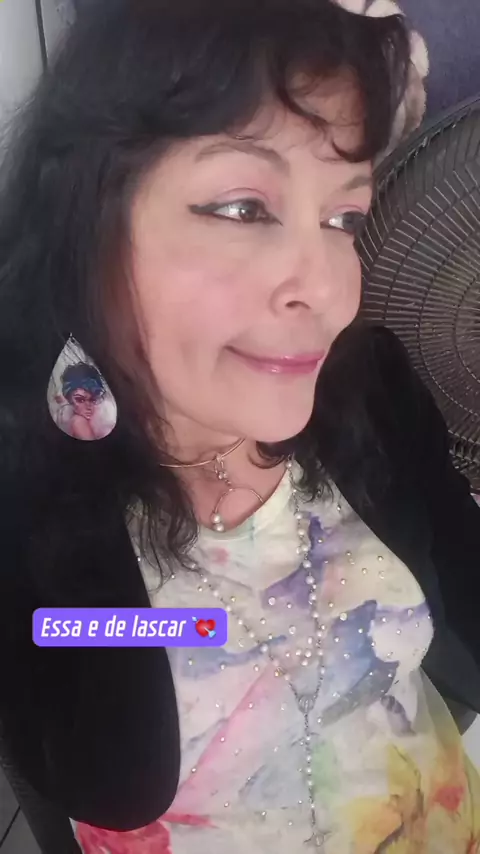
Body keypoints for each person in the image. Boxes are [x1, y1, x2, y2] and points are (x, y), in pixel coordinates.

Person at [0, 0, 479, 852]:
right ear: (85, 217)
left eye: (344, 218)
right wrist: (195, 626)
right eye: (242, 208)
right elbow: (85, 738)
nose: (328, 288)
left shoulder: (370, 392)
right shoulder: (23, 481)